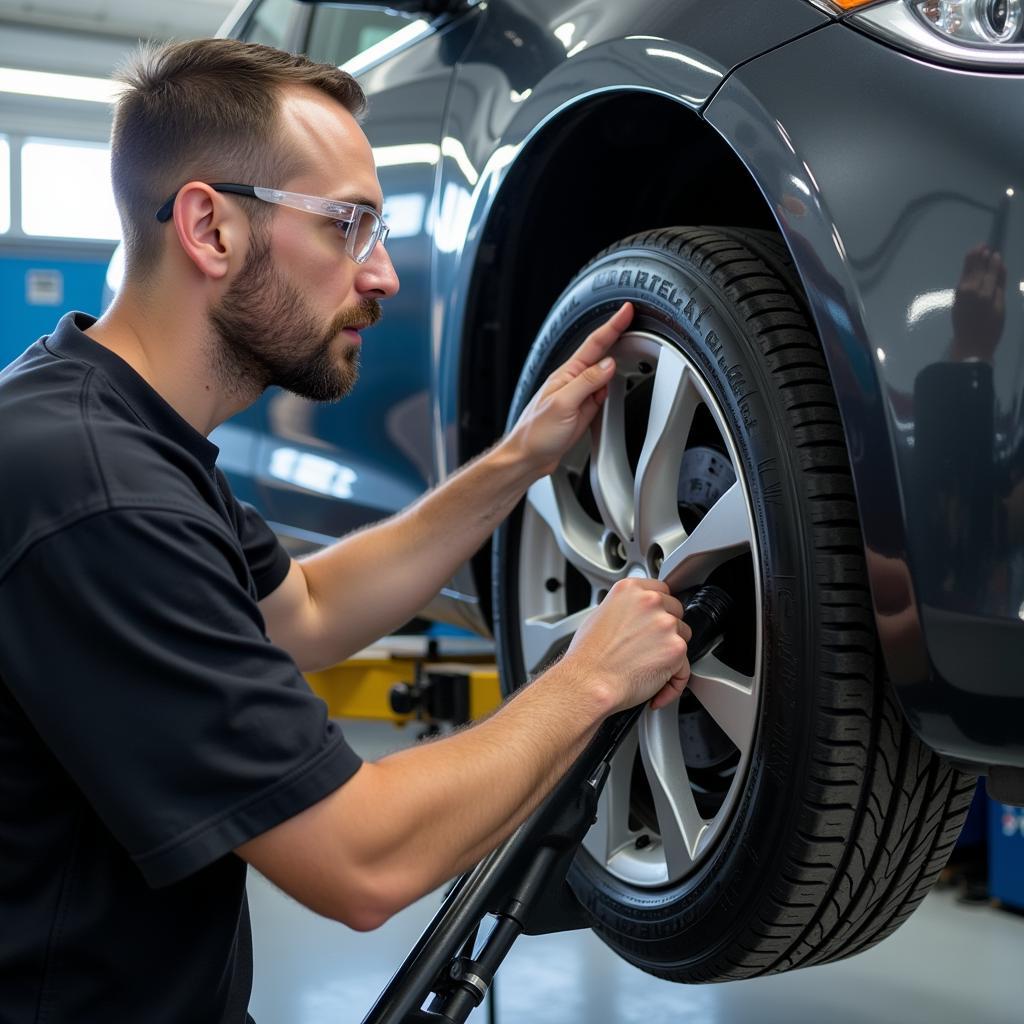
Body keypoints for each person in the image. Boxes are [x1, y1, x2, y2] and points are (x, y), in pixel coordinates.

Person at [0, 38, 692, 1023]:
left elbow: (311, 607)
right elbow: (362, 858)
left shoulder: (103, 422)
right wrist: (593, 675)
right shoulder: (97, 490)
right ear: (211, 228)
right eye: (349, 227)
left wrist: (518, 460)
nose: (383, 277)